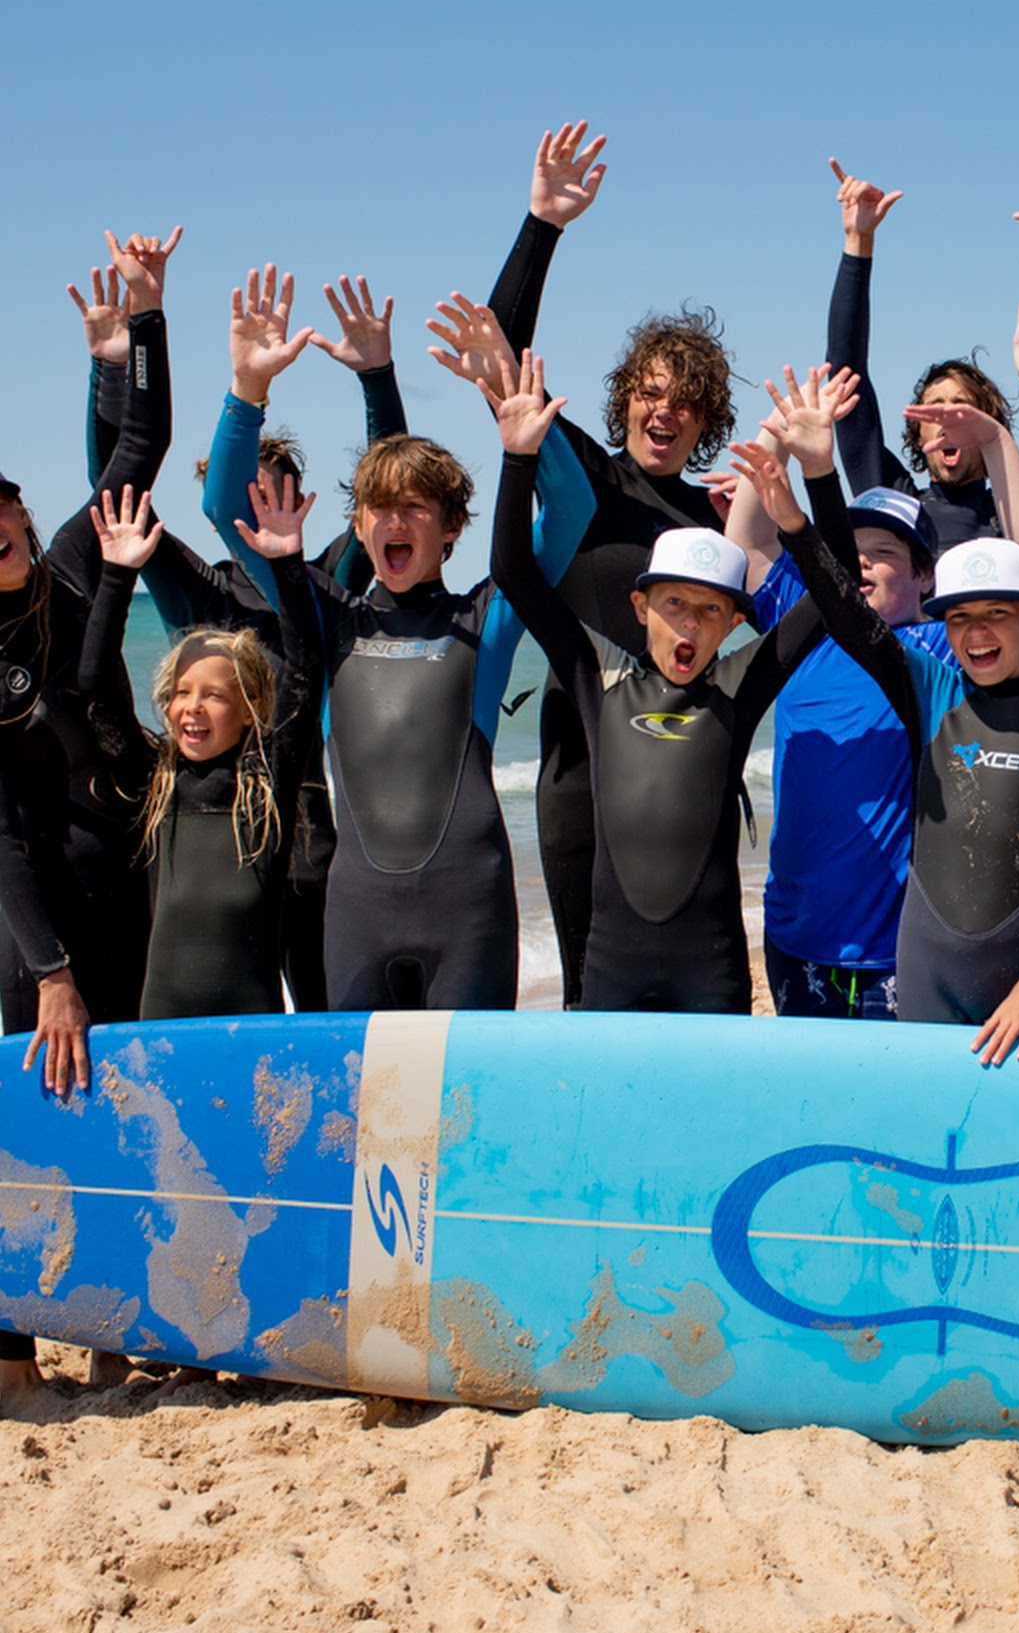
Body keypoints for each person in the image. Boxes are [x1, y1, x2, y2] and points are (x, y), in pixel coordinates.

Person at [218, 300, 592, 1010]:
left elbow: (570, 509)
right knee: (364, 1085)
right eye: (379, 507)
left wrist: (509, 397)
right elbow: (225, 511)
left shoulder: (486, 618)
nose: (395, 519)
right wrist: (247, 391)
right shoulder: (327, 620)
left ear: (451, 528)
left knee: (465, 1083)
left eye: (416, 506)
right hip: (358, 916)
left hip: (470, 913)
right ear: (359, 525)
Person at [469, 123, 739, 1008]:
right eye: (650, 392)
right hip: (579, 760)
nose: (665, 412)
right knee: (589, 982)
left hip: (686, 769)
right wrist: (542, 223)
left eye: (687, 402)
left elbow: (773, 635)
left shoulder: (717, 521)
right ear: (625, 398)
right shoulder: (582, 474)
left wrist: (768, 519)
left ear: (708, 423)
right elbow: (500, 351)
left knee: (687, 957)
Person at [734, 439, 1019, 1064]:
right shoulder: (908, 673)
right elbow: (835, 603)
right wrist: (799, 507)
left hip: (941, 962)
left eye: (883, 553)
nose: (977, 630)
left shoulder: (957, 667)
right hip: (827, 944)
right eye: (961, 617)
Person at [90, 263, 407, 1009]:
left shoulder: (327, 579)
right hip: (214, 837)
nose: (255, 509)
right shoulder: (198, 591)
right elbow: (116, 494)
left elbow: (392, 486)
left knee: (325, 1015)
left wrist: (377, 380)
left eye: (270, 494)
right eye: (242, 494)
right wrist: (113, 367)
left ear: (297, 500)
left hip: (309, 831)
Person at [487, 357, 837, 1013]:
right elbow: (514, 573)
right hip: (610, 980)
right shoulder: (599, 677)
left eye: (710, 610)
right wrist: (517, 461)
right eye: (674, 604)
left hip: (715, 981)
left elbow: (834, 592)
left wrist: (813, 484)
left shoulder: (737, 687)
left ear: (734, 621)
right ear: (640, 606)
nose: (691, 624)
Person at [0, 226, 178, 1403]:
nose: (5, 540)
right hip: (35, 904)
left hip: (124, 866)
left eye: (8, 518)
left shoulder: (70, 569)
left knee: (116, 1111)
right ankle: (14, 1355)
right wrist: (49, 969)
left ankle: (114, 1332)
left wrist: (137, 330)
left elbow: (139, 444)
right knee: (30, 1115)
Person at [723, 373, 958, 1019]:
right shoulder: (803, 626)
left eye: (882, 553)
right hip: (794, 937)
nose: (861, 565)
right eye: (849, 553)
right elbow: (746, 546)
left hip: (896, 948)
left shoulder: (938, 650)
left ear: (925, 576)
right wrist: (777, 435)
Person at [79, 478, 321, 1019]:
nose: (192, 707)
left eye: (214, 696)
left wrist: (287, 565)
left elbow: (305, 671)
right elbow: (96, 688)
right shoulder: (154, 785)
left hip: (252, 1028)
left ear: (251, 708)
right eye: (181, 693)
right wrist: (116, 576)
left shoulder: (268, 785)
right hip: (161, 1027)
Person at [826, 159, 1019, 564]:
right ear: (917, 433)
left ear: (987, 426)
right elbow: (845, 374)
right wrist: (858, 242)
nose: (946, 417)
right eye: (934, 408)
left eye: (960, 407)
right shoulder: (895, 504)